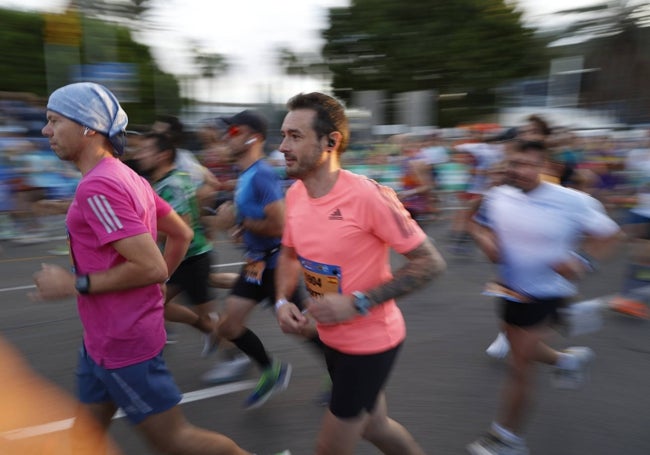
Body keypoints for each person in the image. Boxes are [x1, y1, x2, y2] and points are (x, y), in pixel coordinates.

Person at [31, 82, 255, 455]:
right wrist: (150, 292)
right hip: (101, 341)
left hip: (123, 344)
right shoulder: (128, 176)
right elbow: (181, 235)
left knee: (175, 440)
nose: (46, 130)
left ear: (88, 126)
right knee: (82, 441)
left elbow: (149, 265)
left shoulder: (98, 186)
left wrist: (75, 283)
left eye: (54, 121)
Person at [274, 92, 447, 455]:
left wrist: (360, 302)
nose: (282, 146)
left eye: (295, 136)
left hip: (370, 344)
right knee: (375, 426)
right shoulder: (295, 196)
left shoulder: (369, 197)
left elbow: (430, 263)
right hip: (329, 339)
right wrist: (280, 301)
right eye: (283, 135)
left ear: (330, 141)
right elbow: (289, 256)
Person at [466, 140, 621, 455]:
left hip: (549, 291)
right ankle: (568, 359)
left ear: (544, 167)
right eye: (514, 162)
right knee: (522, 347)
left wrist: (582, 262)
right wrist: (486, 239)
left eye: (527, 164)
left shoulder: (574, 201)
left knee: (519, 364)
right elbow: (481, 226)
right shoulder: (498, 196)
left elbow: (609, 234)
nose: (518, 170)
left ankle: (507, 439)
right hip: (509, 289)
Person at [208, 109, 296, 408]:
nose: (225, 137)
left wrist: (242, 222)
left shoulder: (262, 174)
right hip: (255, 262)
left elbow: (280, 225)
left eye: (233, 132)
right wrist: (241, 230)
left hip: (275, 265)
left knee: (305, 327)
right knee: (229, 326)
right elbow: (255, 220)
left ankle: (344, 371)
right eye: (226, 132)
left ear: (253, 138)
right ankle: (272, 371)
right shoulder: (244, 174)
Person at [136, 131, 225, 357]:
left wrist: (142, 236)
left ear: (163, 155)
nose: (140, 155)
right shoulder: (172, 179)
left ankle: (235, 356)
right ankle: (208, 329)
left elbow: (180, 229)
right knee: (155, 304)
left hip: (191, 258)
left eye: (146, 150)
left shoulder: (171, 185)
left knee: (203, 315)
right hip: (182, 258)